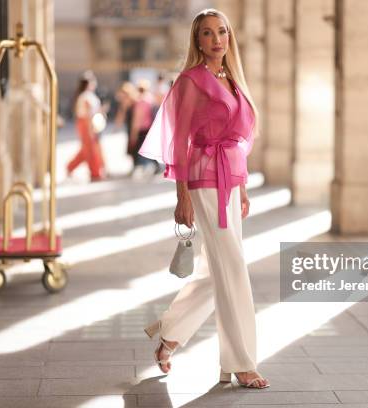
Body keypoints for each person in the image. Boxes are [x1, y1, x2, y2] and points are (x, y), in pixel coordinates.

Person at [138, 9, 269, 389]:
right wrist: (182, 196)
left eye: (222, 32)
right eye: (208, 33)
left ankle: (169, 335)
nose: (217, 39)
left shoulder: (232, 79)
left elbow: (239, 142)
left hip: (230, 181)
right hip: (202, 178)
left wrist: (242, 188)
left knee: (216, 270)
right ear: (197, 40)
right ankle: (241, 362)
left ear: (230, 37)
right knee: (233, 266)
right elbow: (179, 141)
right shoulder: (190, 81)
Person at [66, 71, 106, 181]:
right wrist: (90, 129)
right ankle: (95, 172)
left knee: (87, 149)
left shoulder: (88, 95)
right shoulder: (85, 96)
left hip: (90, 123)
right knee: (90, 148)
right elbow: (88, 114)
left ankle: (71, 166)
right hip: (86, 124)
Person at [130, 80, 158, 178]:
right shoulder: (150, 99)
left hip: (142, 128)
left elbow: (137, 118)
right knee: (149, 147)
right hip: (150, 127)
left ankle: (138, 166)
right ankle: (156, 165)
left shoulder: (140, 102)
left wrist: (133, 132)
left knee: (139, 148)